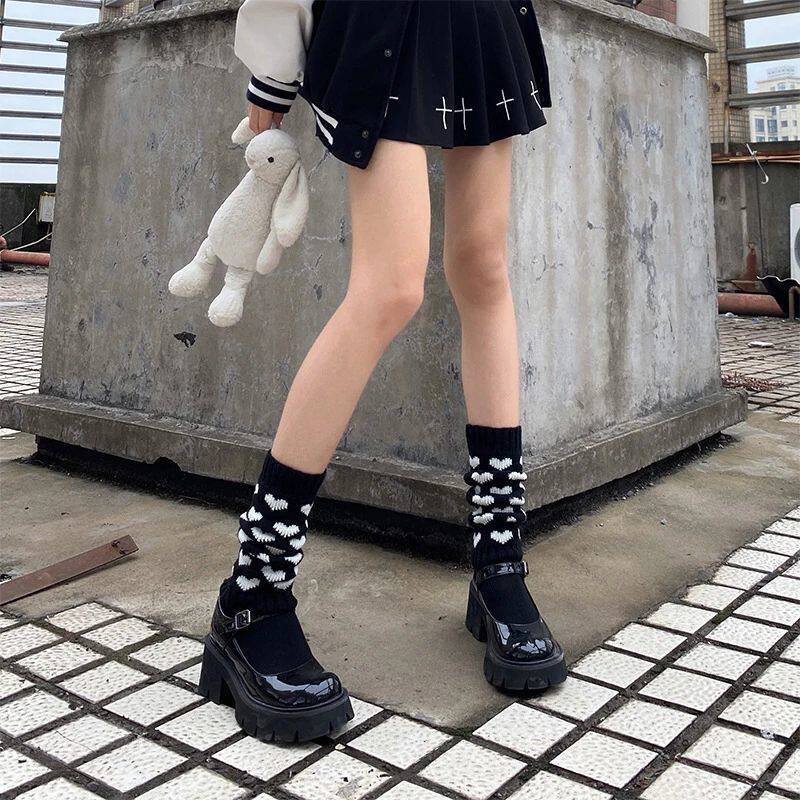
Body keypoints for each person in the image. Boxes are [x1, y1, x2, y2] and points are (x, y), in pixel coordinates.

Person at [199, 0, 567, 744]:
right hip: (381, 22)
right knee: (389, 288)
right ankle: (253, 594)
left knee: (484, 270)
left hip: (479, 21)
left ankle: (499, 559)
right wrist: (271, 73)